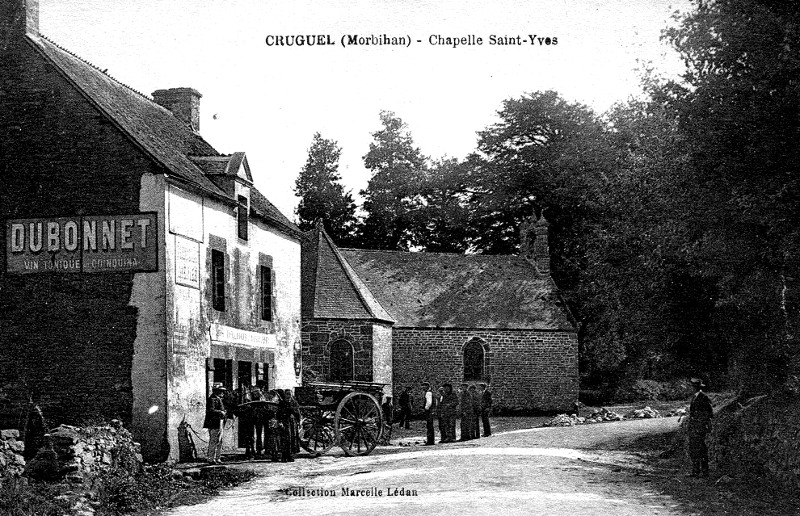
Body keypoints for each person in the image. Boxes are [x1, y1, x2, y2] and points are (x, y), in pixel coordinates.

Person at [687, 377, 713, 478]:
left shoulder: (703, 397)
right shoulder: (695, 397)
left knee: (701, 449)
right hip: (694, 427)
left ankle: (704, 471)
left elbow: (709, 413)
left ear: (697, 387)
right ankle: (696, 470)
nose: (692, 388)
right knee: (694, 449)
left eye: (693, 387)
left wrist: (702, 424)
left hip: (700, 427)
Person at [203, 383, 227, 463]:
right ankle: (211, 459)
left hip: (219, 422)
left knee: (219, 441)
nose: (222, 393)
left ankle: (217, 458)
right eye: (221, 391)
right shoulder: (212, 399)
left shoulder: (218, 399)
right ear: (216, 391)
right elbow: (211, 410)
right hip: (214, 423)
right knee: (213, 441)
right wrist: (221, 412)